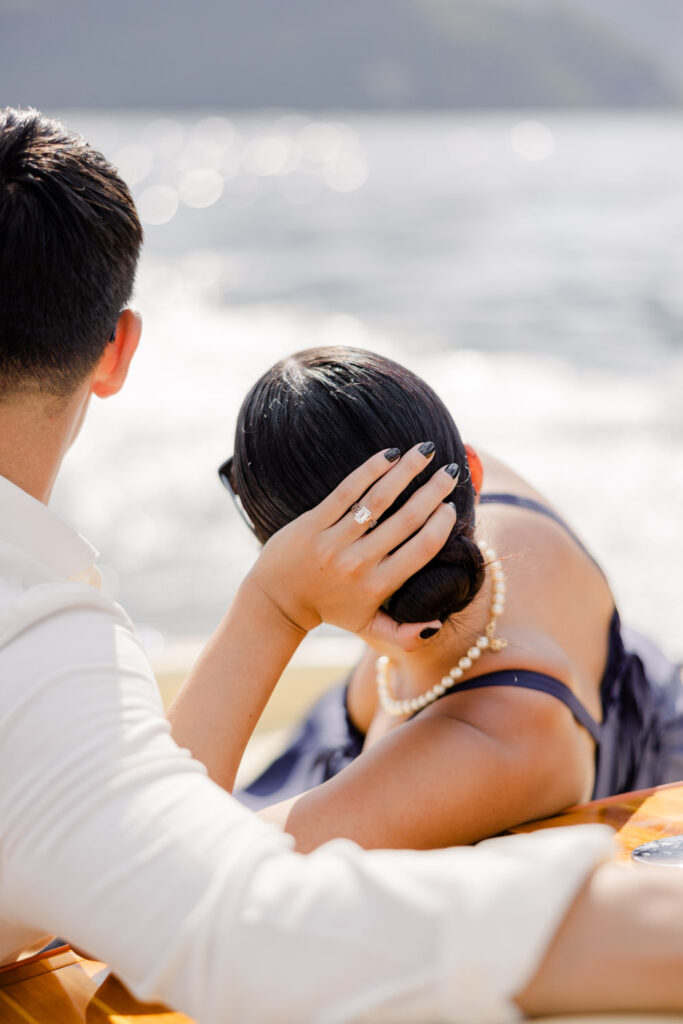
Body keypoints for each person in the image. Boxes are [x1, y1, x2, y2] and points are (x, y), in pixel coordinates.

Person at [1, 105, 682, 1024]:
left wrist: (277, 607)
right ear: (117, 348)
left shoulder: (49, 644)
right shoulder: (496, 500)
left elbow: (172, 895)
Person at [177, 347, 683, 853]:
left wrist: (274, 605)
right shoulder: (458, 485)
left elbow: (162, 852)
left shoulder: (497, 741)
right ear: (472, 472)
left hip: (495, 765)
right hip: (368, 729)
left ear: (292, 558)